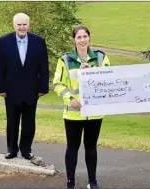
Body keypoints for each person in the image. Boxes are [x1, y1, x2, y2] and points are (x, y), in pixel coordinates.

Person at [52, 25, 110, 189]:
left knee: (91, 147)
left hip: (94, 113)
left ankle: (93, 182)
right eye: (79, 37)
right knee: (72, 147)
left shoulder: (101, 58)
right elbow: (57, 84)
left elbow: (108, 79)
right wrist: (69, 99)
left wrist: (91, 72)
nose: (82, 40)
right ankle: (70, 183)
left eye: (85, 36)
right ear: (74, 40)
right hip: (73, 113)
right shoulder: (65, 60)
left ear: (89, 38)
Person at [0, 13, 49, 160]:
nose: (22, 27)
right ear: (14, 25)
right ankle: (12, 150)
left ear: (28, 25)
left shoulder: (39, 41)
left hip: (32, 90)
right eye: (19, 24)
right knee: (12, 121)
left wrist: (43, 87)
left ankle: (26, 150)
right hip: (10, 90)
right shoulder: (3, 41)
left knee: (29, 122)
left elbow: (44, 66)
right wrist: (0, 88)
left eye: (24, 24)